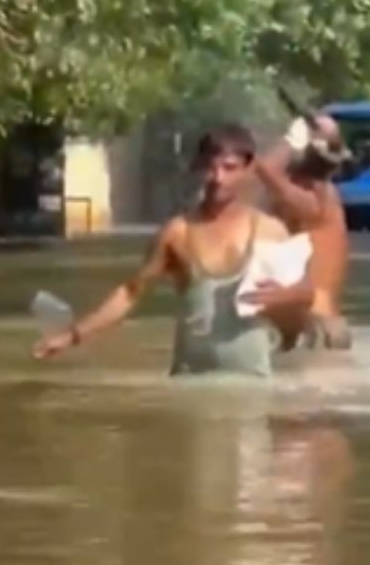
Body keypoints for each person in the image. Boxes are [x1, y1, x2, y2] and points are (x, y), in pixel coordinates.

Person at [32, 123, 292, 377]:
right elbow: (131, 294)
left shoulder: (271, 232)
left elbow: (298, 317)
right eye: (210, 168)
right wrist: (72, 335)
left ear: (249, 169)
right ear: (199, 168)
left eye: (229, 168)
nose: (218, 178)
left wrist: (283, 306)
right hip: (190, 384)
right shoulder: (177, 232)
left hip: (253, 384)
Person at [241, 115, 353, 351]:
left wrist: (290, 141)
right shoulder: (318, 198)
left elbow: (264, 171)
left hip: (317, 327)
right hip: (314, 326)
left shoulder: (315, 200)